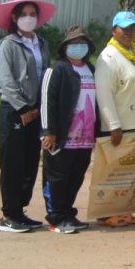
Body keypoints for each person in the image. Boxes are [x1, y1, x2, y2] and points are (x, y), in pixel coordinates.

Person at [0, 0, 55, 233]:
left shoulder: (42, 44)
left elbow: (46, 75)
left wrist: (39, 108)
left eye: (33, 14)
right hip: (14, 110)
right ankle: (9, 213)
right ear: (15, 18)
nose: (29, 18)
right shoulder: (8, 44)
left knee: (30, 161)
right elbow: (6, 80)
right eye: (24, 14)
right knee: (12, 162)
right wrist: (22, 107)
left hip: (36, 110)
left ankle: (21, 209)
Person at [94, 10, 135, 227]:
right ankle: (107, 212)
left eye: (132, 28)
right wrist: (113, 125)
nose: (129, 32)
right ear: (114, 31)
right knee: (112, 171)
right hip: (118, 125)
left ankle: (124, 210)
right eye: (124, 29)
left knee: (129, 171)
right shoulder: (107, 58)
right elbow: (104, 95)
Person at [39, 25, 96, 234]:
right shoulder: (57, 69)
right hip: (62, 136)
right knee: (57, 177)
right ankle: (56, 217)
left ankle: (68, 213)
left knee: (76, 176)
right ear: (65, 47)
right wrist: (48, 130)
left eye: (82, 44)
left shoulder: (91, 69)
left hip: (86, 136)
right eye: (74, 44)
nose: (78, 47)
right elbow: (47, 102)